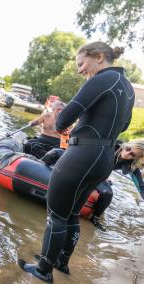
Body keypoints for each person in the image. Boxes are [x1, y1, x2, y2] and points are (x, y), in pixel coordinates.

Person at [18, 41, 135, 283]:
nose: (80, 70)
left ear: (99, 57)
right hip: (104, 160)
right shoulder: (128, 87)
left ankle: (43, 270)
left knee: (56, 215)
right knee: (71, 214)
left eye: (81, 63)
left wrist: (71, 126)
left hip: (82, 156)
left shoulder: (101, 79)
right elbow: (123, 126)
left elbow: (63, 119)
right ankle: (60, 262)